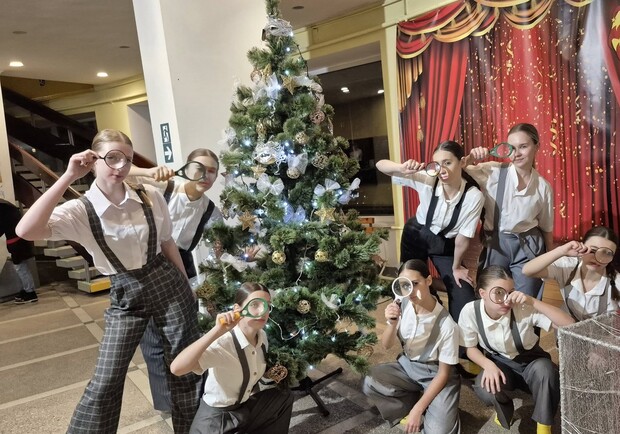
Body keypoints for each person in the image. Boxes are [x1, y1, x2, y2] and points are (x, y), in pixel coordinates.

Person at [15, 129, 201, 434]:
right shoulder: (81, 210)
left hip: (168, 284)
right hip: (125, 293)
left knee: (185, 368)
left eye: (127, 159)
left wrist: (186, 287)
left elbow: (167, 242)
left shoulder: (149, 195)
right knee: (107, 378)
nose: (120, 166)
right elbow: (26, 230)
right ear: (94, 160)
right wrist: (68, 176)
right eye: (112, 158)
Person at [127, 149, 223, 413]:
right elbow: (122, 174)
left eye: (212, 171)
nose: (205, 176)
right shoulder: (164, 187)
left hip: (183, 272)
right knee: (153, 340)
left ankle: (190, 398)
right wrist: (148, 171)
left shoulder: (211, 211)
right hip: (147, 265)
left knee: (184, 337)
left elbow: (219, 250)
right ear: (187, 168)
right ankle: (167, 403)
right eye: (199, 169)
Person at [377, 140, 484, 323]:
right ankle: (425, 319)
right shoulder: (427, 178)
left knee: (463, 292)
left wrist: (456, 267)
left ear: (462, 162)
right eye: (438, 164)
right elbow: (381, 165)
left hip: (446, 243)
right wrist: (401, 168)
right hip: (416, 235)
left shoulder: (473, 196)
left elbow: (462, 238)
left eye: (448, 162)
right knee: (408, 286)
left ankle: (459, 336)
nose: (442, 169)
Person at [458, 265, 574, 433]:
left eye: (510, 292)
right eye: (498, 292)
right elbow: (470, 348)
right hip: (501, 363)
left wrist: (532, 301)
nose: (506, 300)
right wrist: (487, 365)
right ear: (482, 293)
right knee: (484, 385)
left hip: (531, 363)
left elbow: (569, 325)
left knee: (546, 371)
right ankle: (505, 409)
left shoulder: (522, 307)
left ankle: (544, 427)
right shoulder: (470, 312)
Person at [171, 282, 294, 434]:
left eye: (267, 305)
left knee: (284, 397)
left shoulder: (262, 336)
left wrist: (269, 374)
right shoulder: (223, 343)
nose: (262, 312)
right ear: (237, 309)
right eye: (254, 305)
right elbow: (176, 368)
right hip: (216, 420)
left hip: (242, 409)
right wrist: (217, 331)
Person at [363, 259, 461, 434]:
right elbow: (386, 345)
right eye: (405, 285)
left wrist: (418, 409)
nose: (411, 291)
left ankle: (434, 405)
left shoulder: (447, 325)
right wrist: (392, 323)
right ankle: (411, 400)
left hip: (435, 374)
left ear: (428, 281)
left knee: (439, 432)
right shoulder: (403, 304)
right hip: (408, 365)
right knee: (370, 381)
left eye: (415, 284)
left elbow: (443, 374)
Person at [464, 123, 554, 300]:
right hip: (496, 244)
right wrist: (470, 158)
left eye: (523, 146)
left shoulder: (543, 187)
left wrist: (550, 261)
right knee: (492, 296)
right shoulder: (492, 171)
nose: (516, 153)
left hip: (528, 246)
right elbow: (455, 171)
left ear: (537, 146)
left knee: (526, 300)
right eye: (512, 148)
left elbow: (546, 227)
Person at [523, 226, 619, 321]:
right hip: (567, 327)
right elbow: (527, 270)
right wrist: (561, 251)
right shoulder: (568, 266)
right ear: (582, 246)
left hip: (602, 331)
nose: (599, 259)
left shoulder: (617, 281)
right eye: (593, 250)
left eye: (607, 254)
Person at [0, 199, 37, 303]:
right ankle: (27, 289)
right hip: (20, 239)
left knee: (21, 268)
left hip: (16, 242)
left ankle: (30, 292)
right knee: (22, 267)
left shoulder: (2, 208)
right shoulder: (6, 205)